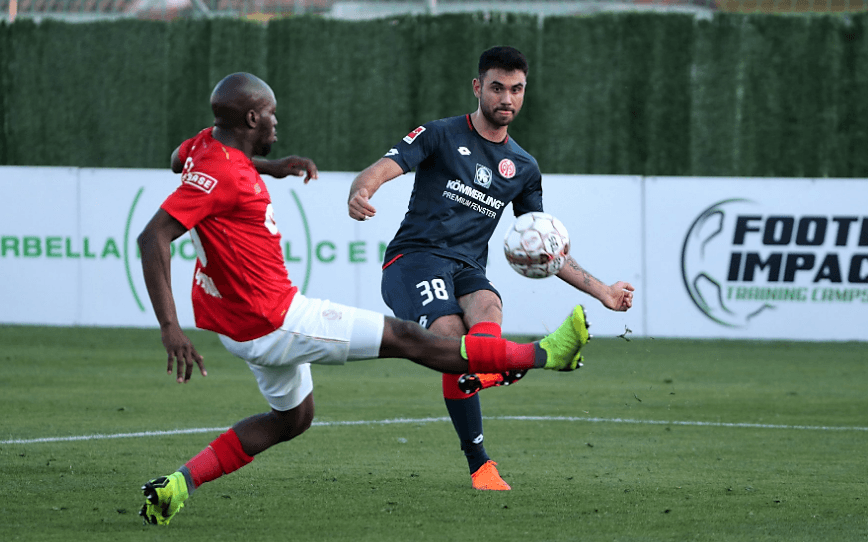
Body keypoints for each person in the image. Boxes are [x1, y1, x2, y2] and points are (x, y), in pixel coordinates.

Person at [136, 72, 591, 526]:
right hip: (274, 318)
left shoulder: (206, 149)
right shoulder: (223, 171)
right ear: (252, 117)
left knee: (293, 419)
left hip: (240, 328)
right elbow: (153, 234)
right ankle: (547, 354)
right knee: (409, 338)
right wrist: (170, 327)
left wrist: (269, 167)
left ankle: (178, 484)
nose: (277, 121)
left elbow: (181, 159)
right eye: (271, 113)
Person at [347, 46, 634, 491]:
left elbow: (545, 247)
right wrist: (361, 191)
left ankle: (487, 374)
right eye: (498, 87)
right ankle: (482, 455)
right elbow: (384, 167)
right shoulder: (440, 134)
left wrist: (603, 292)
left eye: (517, 89)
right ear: (478, 87)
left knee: (488, 309)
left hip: (467, 268)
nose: (508, 98)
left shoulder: (523, 167)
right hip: (414, 259)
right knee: (449, 341)